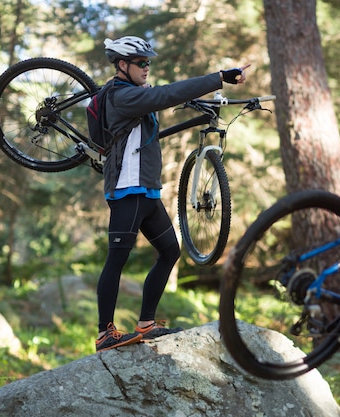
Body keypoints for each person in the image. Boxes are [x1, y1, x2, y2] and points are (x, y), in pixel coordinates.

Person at [95, 36, 250, 352]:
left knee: (169, 251)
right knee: (116, 260)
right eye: (141, 62)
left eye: (149, 62)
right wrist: (218, 78)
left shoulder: (138, 94)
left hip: (147, 192)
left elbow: (165, 97)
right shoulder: (121, 96)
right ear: (122, 65)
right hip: (128, 190)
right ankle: (104, 333)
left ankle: (146, 323)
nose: (147, 67)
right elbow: (168, 94)